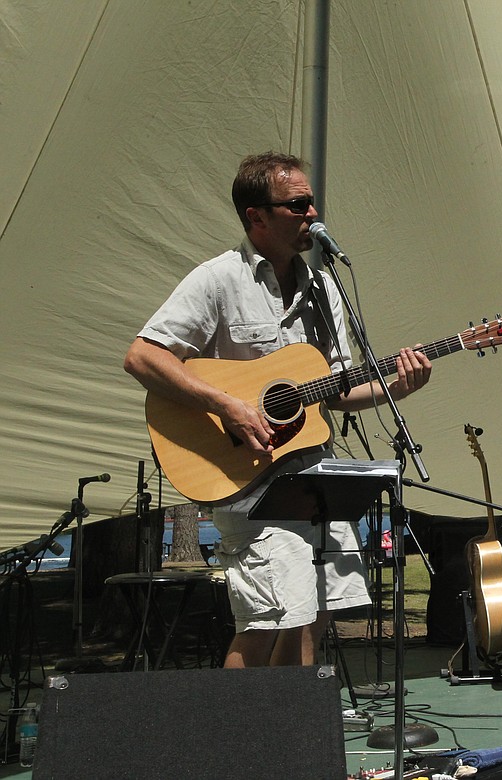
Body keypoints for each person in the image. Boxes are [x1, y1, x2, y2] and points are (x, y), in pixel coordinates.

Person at [124, 152, 432, 667]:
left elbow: (332, 391)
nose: (313, 213)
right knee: (267, 620)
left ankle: (293, 731)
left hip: (313, 476)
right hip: (245, 478)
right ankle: (233, 740)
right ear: (256, 217)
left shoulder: (324, 287)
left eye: (312, 202)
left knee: (316, 612)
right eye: (298, 204)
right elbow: (142, 356)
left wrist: (396, 387)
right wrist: (228, 404)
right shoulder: (218, 280)